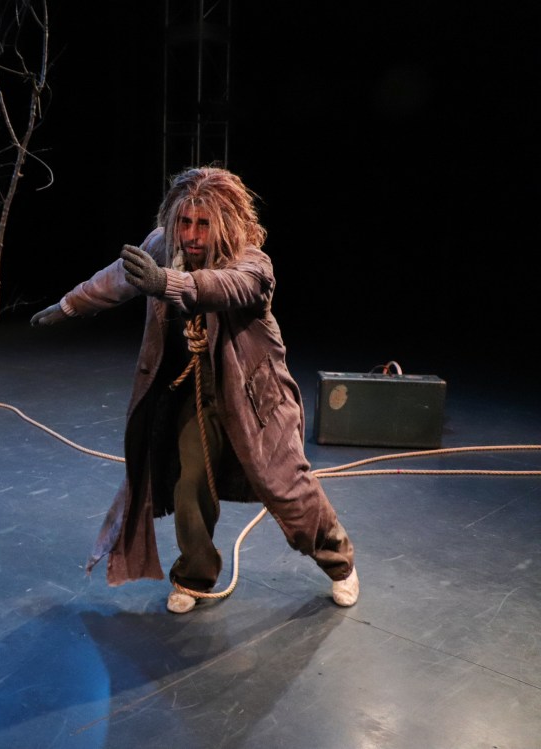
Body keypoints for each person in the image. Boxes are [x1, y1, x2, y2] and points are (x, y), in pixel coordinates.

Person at [31, 165, 358, 613]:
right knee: (190, 487)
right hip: (192, 393)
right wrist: (70, 305)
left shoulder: (251, 261)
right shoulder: (162, 247)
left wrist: (169, 283)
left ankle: (339, 561)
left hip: (255, 399)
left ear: (225, 222)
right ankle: (194, 575)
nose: (192, 233)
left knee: (288, 489)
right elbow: (117, 277)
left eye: (203, 223)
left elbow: (227, 286)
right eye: (185, 221)